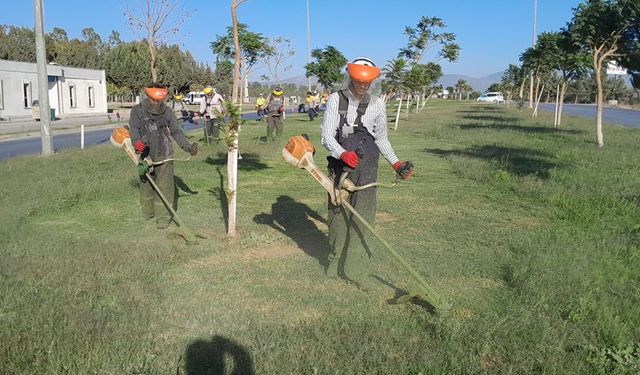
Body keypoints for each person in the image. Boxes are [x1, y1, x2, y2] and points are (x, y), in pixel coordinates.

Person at [321, 57, 414, 291]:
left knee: (363, 218)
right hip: (341, 167)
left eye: (367, 84)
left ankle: (357, 271)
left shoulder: (377, 105)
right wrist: (342, 154)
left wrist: (395, 164)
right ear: (350, 79)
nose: (362, 87)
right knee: (338, 216)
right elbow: (327, 137)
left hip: (368, 167)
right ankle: (335, 263)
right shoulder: (337, 100)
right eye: (358, 82)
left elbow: (381, 138)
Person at [129, 83, 198, 229]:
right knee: (146, 185)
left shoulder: (167, 112)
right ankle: (148, 212)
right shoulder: (137, 111)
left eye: (158, 100)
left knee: (165, 187)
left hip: (165, 152)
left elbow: (176, 132)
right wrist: (137, 144)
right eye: (153, 100)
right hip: (145, 154)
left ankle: (163, 219)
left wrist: (187, 147)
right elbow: (133, 129)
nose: (156, 103)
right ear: (148, 96)